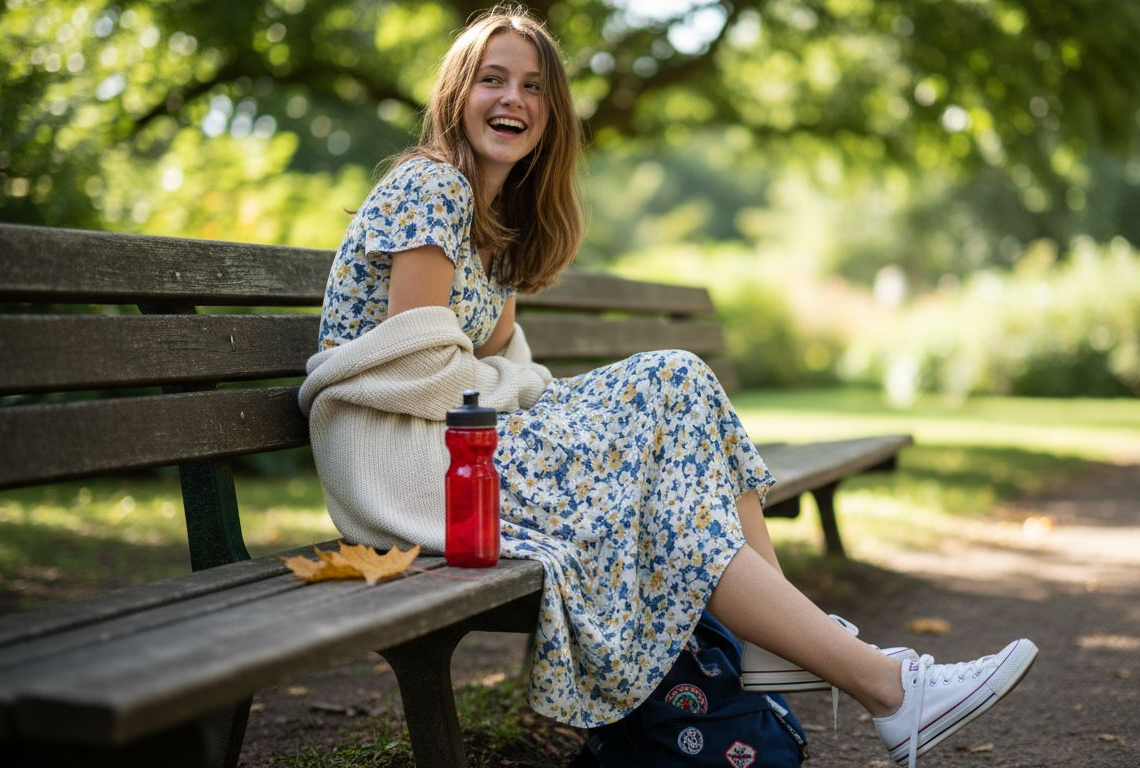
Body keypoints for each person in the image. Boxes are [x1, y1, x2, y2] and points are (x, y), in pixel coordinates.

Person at [297, 5, 1037, 765]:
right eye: (492, 81)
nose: (511, 100)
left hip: (464, 443)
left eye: (532, 87)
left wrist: (501, 379)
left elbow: (500, 365)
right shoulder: (432, 188)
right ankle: (883, 685)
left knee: (678, 390)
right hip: (410, 464)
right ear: (458, 95)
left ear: (552, 117)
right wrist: (503, 382)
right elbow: (417, 371)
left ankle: (822, 661)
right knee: (670, 402)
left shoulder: (496, 222)